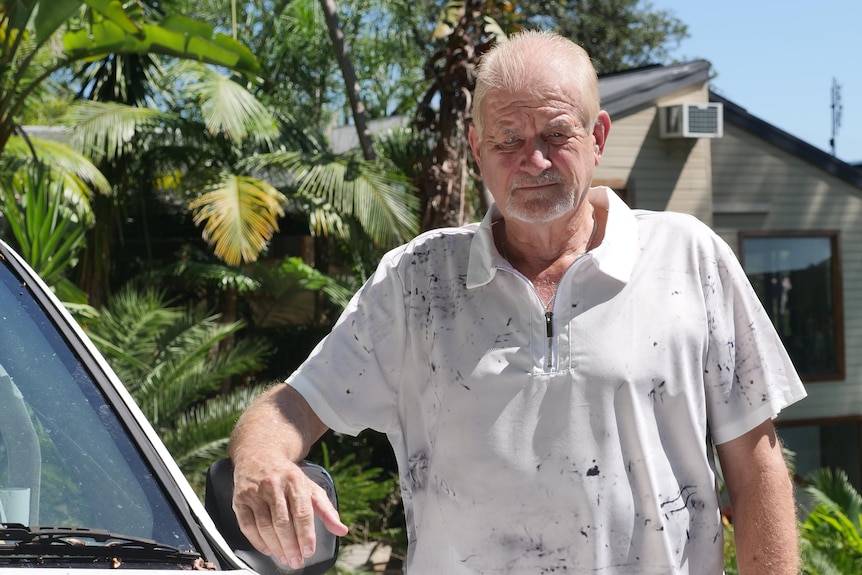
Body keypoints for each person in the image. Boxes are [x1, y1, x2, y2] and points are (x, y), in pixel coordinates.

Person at [228, 30, 807, 574]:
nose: (534, 161)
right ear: (478, 149)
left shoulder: (688, 258)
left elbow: (757, 471)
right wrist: (262, 461)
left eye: (556, 134)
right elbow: (293, 407)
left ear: (598, 137)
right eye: (508, 139)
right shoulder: (416, 280)